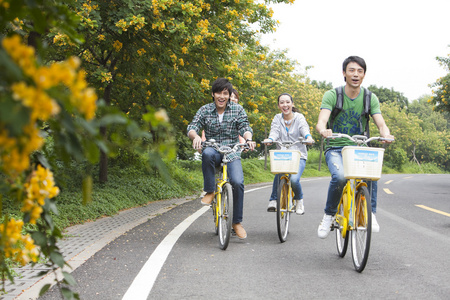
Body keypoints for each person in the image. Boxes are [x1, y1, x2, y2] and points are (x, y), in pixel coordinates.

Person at [315, 56, 394, 239]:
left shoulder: (369, 97)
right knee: (340, 177)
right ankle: (328, 215)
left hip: (359, 148)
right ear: (344, 73)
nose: (355, 74)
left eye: (359, 71)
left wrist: (386, 135)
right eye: (351, 70)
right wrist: (323, 130)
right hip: (335, 147)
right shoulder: (333, 95)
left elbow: (381, 124)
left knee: (371, 175)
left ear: (364, 75)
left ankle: (371, 214)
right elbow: (322, 120)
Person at [187, 78, 256, 239]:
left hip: (232, 151)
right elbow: (192, 127)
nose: (222, 96)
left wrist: (248, 139)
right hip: (213, 148)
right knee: (207, 153)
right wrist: (195, 136)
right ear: (213, 94)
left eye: (225, 93)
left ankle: (236, 222)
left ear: (229, 95)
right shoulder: (205, 110)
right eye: (219, 93)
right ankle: (210, 190)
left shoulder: (237, 109)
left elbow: (245, 127)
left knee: (238, 182)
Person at [263, 93, 314, 215]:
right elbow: (274, 131)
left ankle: (299, 200)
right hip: (282, 155)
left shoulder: (299, 117)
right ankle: (274, 199)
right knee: (278, 172)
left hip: (298, 155)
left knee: (295, 180)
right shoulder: (277, 118)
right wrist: (270, 139)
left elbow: (304, 129)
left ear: (292, 104)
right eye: (282, 102)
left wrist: (308, 137)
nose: (285, 105)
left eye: (287, 102)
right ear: (278, 105)